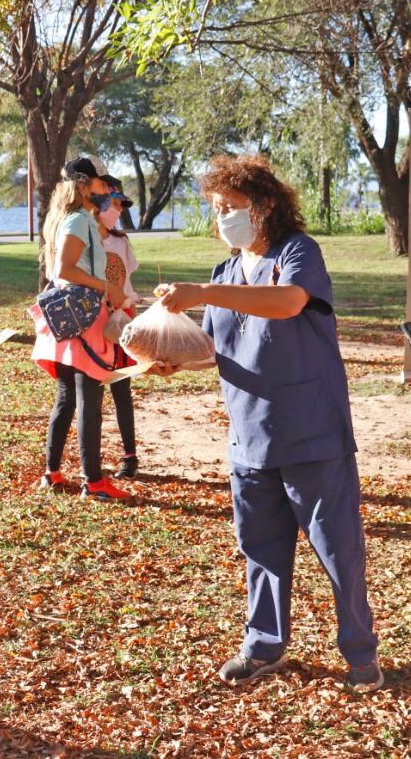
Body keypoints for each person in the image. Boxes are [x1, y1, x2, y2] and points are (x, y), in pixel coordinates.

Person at [158, 154, 383, 693]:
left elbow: (287, 304)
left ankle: (359, 651)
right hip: (250, 437)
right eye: (215, 210)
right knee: (260, 550)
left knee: (338, 550)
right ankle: (263, 646)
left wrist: (204, 295)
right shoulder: (226, 271)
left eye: (231, 208)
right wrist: (171, 358)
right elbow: (213, 347)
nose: (223, 219)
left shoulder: (298, 253)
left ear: (265, 207)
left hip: (311, 432)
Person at [31, 154, 131, 500]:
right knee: (89, 399)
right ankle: (94, 481)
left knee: (67, 398)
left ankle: (53, 472)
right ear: (83, 185)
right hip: (84, 318)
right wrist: (108, 288)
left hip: (67, 317)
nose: (107, 189)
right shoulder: (78, 220)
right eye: (102, 183)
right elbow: (64, 270)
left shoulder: (67, 217)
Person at [99, 180, 142, 478]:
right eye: (114, 204)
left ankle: (130, 456)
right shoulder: (85, 239)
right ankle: (91, 457)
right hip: (94, 318)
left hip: (121, 317)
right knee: (90, 392)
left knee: (121, 389)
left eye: (121, 206)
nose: (117, 211)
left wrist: (134, 321)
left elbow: (128, 285)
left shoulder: (122, 241)